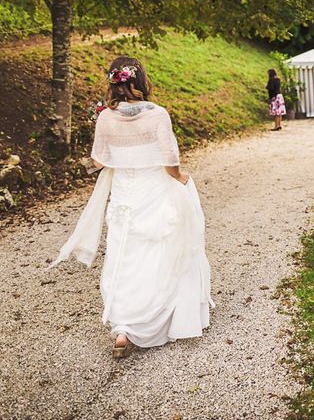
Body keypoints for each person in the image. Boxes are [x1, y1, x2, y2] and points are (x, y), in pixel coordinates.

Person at [51, 56, 213, 358]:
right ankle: (155, 318)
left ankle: (123, 328)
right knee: (157, 256)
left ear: (114, 82)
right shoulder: (158, 114)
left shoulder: (105, 117)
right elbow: (169, 161)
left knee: (123, 258)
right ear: (140, 81)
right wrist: (181, 178)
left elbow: (98, 161)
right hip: (154, 192)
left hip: (124, 196)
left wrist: (107, 138)